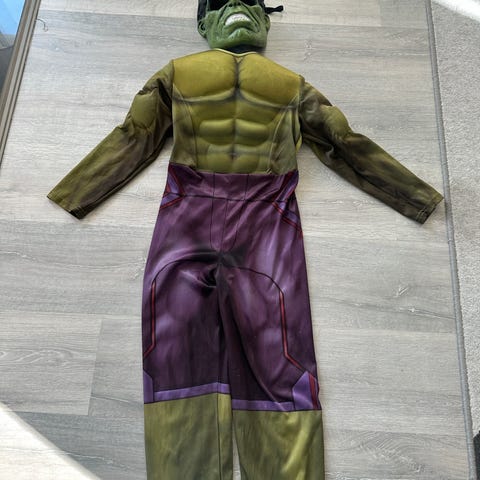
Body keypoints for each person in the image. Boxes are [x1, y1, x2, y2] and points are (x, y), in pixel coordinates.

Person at [47, 1, 444, 478]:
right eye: (223, 1)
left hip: (225, 218)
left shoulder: (247, 81)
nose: (236, 5)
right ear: (203, 23)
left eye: (249, 1)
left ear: (267, 19)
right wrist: (77, 193)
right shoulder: (269, 82)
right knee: (189, 355)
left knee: (258, 357)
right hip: (239, 219)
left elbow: (138, 134)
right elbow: (340, 143)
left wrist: (415, 196)